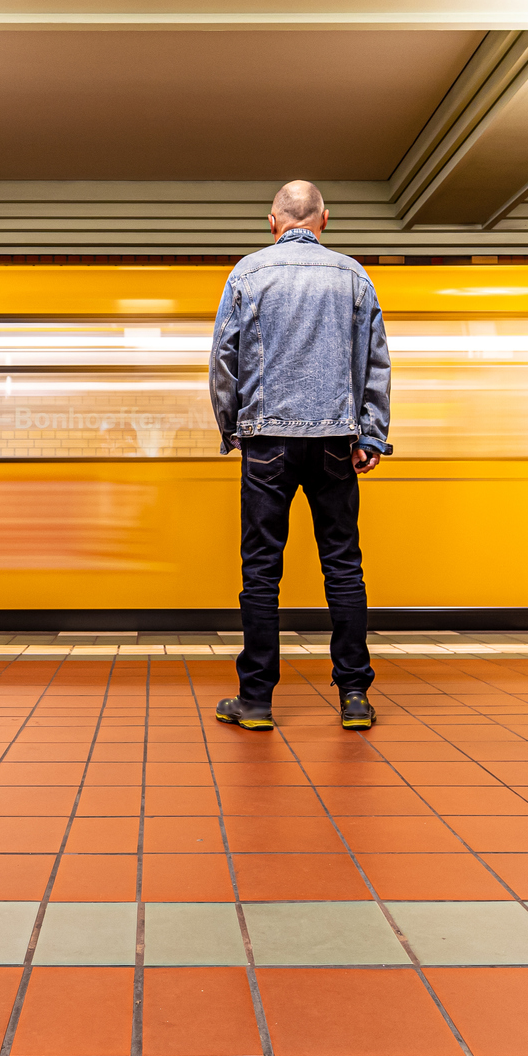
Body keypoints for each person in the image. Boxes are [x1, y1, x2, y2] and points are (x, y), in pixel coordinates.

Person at [207, 180, 393, 731]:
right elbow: (376, 361)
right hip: (337, 440)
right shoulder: (354, 276)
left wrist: (232, 429)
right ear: (324, 220)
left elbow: (224, 359)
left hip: (267, 440)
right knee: (343, 565)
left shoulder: (248, 273)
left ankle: (257, 700)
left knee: (261, 570)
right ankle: (354, 695)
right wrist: (371, 434)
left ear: (273, 223)